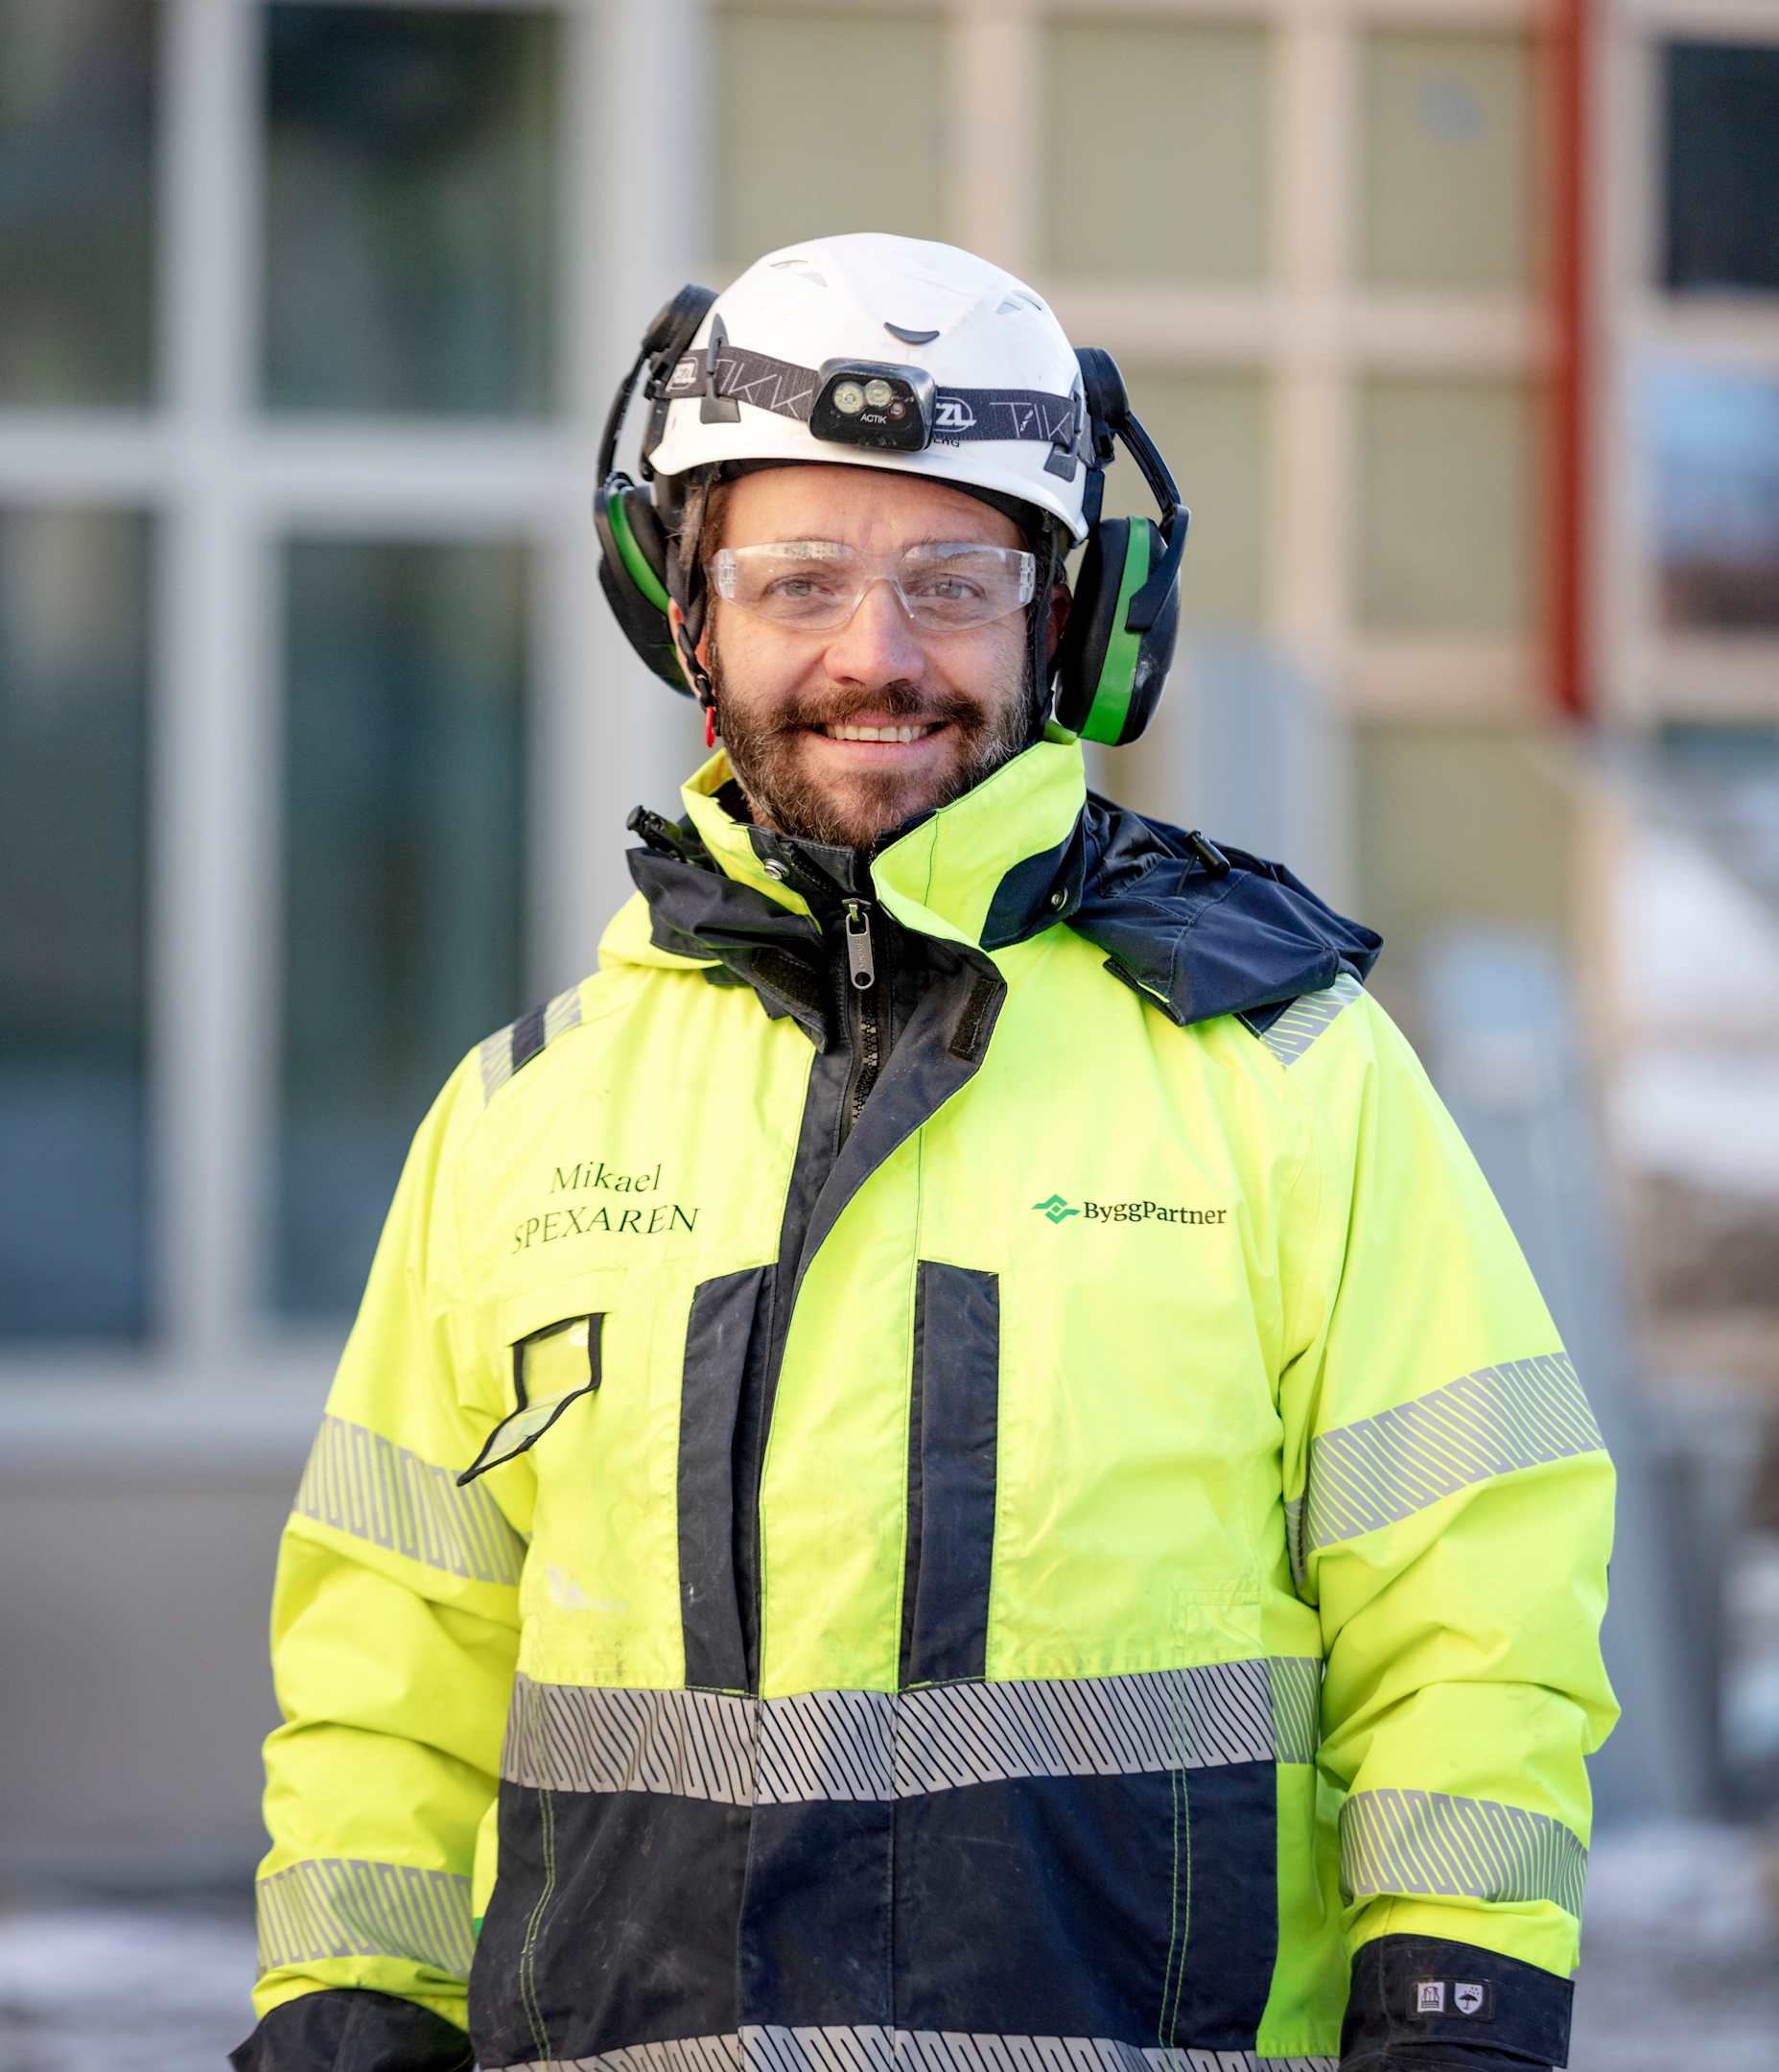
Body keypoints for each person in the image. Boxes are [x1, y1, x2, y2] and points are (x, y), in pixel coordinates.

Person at [232, 234, 1616, 2072]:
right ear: (686, 616)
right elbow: (387, 1656)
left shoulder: (1291, 1080)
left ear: (1070, 624)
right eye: (799, 580)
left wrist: (1462, 2010)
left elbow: (1473, 1608)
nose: (876, 656)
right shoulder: (524, 1114)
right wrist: (345, 2009)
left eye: (951, 581)